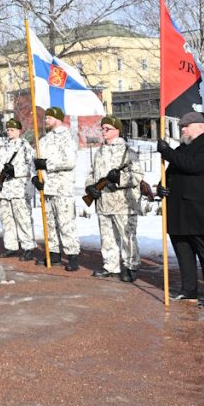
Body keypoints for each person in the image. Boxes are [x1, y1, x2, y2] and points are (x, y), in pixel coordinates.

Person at [156, 112, 204, 307]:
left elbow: (192, 166)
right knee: (183, 251)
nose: (182, 129)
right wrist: (162, 185)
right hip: (179, 212)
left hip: (199, 213)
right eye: (181, 126)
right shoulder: (181, 149)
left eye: (186, 126)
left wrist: (167, 152)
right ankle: (189, 289)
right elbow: (171, 172)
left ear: (199, 127)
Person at [86, 116, 143, 282]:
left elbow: (137, 176)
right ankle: (110, 265)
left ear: (117, 130)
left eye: (107, 129)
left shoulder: (127, 152)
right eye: (102, 129)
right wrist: (90, 187)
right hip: (103, 202)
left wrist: (119, 179)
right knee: (107, 236)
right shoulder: (99, 152)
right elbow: (91, 173)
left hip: (123, 203)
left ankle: (130, 266)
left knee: (127, 236)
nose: (103, 132)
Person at [34, 107, 80, 270]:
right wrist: (37, 177)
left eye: (49, 118)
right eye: (45, 118)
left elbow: (69, 161)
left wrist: (47, 165)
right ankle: (53, 254)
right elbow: (36, 163)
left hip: (62, 188)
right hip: (47, 188)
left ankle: (73, 255)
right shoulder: (44, 140)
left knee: (66, 223)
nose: (45, 120)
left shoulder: (67, 137)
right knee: (50, 223)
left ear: (58, 119)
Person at [0, 118, 37, 261]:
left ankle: (28, 247)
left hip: (20, 189)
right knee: (7, 219)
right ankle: (11, 246)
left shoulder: (25, 148)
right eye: (7, 129)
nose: (9, 132)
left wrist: (15, 171)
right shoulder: (3, 148)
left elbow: (32, 167)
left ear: (19, 131)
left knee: (23, 219)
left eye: (12, 130)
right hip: (5, 190)